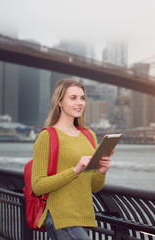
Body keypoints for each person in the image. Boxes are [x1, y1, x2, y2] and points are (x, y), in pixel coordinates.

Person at [31, 78, 111, 240]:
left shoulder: (89, 136)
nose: (80, 102)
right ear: (59, 102)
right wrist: (75, 170)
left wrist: (101, 172)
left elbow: (94, 187)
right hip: (61, 218)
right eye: (73, 98)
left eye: (82, 98)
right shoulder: (47, 136)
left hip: (84, 217)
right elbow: (37, 186)